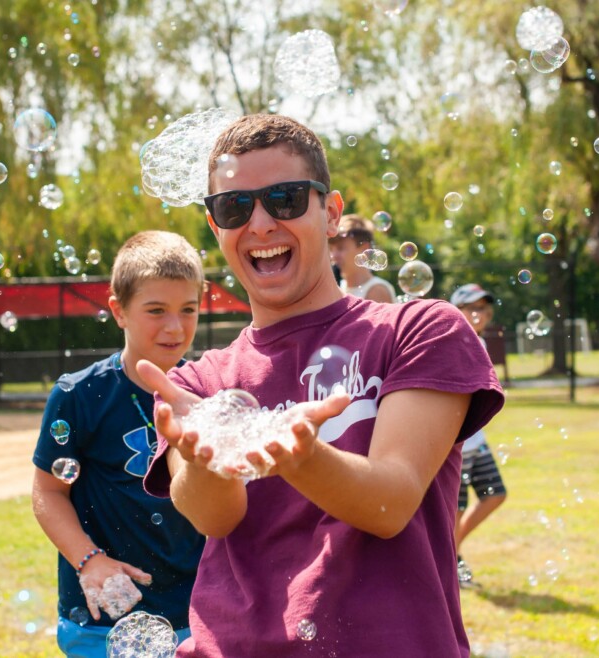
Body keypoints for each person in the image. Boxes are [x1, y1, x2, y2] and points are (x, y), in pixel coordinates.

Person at [140, 114, 504, 657]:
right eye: (235, 207)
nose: (260, 224)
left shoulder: (420, 330)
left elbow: (390, 502)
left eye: (284, 199)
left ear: (330, 213)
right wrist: (204, 457)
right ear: (217, 228)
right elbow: (213, 516)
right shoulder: (198, 380)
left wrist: (296, 453)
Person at [32, 230, 206, 657]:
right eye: (156, 310)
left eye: (188, 309)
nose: (175, 326)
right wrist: (89, 561)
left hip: (196, 612)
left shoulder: (208, 389)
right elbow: (48, 491)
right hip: (103, 617)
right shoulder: (79, 395)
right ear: (118, 311)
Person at [449, 283, 508, 586]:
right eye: (473, 307)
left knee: (496, 494)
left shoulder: (480, 342)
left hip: (477, 441)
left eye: (484, 308)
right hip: (457, 444)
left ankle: (453, 550)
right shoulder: (455, 341)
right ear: (457, 310)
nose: (480, 313)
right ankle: (451, 562)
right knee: (455, 509)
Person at [328, 213, 397, 302]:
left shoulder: (377, 290)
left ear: (364, 248)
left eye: (340, 248)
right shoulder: (341, 287)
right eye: (331, 249)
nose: (333, 255)